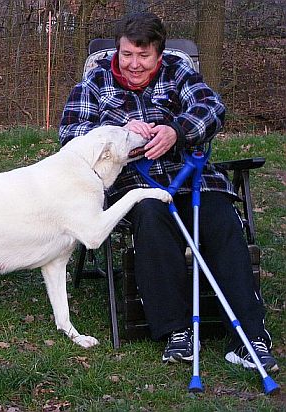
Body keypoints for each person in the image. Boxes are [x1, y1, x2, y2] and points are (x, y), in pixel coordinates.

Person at [59, 12, 278, 372]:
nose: (133, 64)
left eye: (143, 57)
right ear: (118, 50)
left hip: (191, 179)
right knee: (151, 215)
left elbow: (212, 108)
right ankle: (176, 331)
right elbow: (70, 135)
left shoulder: (178, 71)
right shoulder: (95, 81)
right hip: (136, 186)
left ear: (158, 54)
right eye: (127, 54)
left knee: (222, 218)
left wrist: (176, 130)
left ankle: (250, 337)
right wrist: (117, 132)